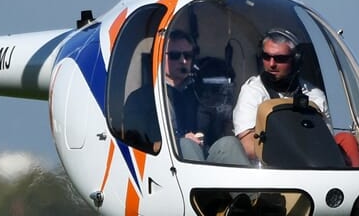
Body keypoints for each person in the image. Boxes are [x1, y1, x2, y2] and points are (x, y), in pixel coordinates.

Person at [123, 29, 246, 164]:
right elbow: (133, 143)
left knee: (229, 144)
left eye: (188, 55)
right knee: (186, 145)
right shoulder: (141, 99)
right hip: (162, 163)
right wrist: (177, 141)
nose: (183, 61)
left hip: (204, 157)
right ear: (160, 57)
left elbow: (215, 135)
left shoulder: (199, 94)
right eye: (175, 55)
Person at [233, 28, 332, 160]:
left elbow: (327, 143)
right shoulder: (253, 91)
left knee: (346, 141)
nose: (272, 64)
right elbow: (249, 146)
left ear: (296, 61)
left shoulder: (315, 96)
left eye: (280, 59)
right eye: (266, 57)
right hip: (269, 170)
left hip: (309, 168)